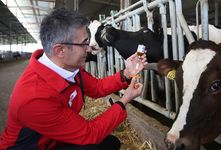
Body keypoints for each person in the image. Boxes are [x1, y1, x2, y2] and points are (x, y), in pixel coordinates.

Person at [0, 8, 147, 150]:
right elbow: (89, 134)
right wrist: (125, 99)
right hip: (33, 147)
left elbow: (97, 87)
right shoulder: (34, 98)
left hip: (54, 139)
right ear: (60, 50)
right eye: (84, 43)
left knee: (110, 143)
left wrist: (127, 73)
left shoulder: (68, 67)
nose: (89, 49)